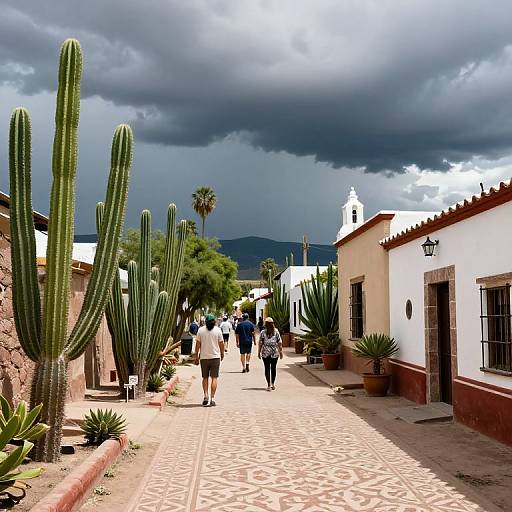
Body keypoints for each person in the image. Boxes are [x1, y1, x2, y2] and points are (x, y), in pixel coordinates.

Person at [194, 314, 225, 406]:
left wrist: (196, 355)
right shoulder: (218, 330)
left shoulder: (200, 330)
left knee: (205, 378)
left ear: (205, 322)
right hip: (215, 357)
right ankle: (212, 398)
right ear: (214, 322)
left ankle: (205, 395)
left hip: (204, 358)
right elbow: (221, 343)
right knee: (214, 378)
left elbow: (198, 344)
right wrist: (222, 353)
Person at [258, 317, 283, 391]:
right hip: (274, 352)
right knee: (273, 368)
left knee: (267, 368)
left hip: (265, 352)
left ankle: (268, 384)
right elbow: (279, 343)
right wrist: (281, 352)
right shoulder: (276, 331)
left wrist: (259, 352)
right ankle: (273, 384)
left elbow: (260, 343)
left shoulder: (263, 332)